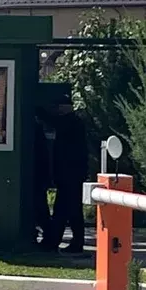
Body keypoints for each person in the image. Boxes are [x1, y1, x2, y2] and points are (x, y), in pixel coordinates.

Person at [49, 101, 89, 253]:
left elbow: (55, 123)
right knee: (63, 210)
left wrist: (40, 112)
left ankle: (75, 243)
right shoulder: (73, 122)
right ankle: (54, 241)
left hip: (71, 175)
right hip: (69, 175)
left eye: (60, 106)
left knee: (72, 210)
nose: (58, 109)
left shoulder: (72, 122)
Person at [32, 107, 53, 248]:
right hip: (41, 174)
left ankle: (47, 235)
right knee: (41, 206)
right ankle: (47, 234)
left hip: (37, 175)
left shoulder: (35, 131)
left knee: (40, 206)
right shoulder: (39, 131)